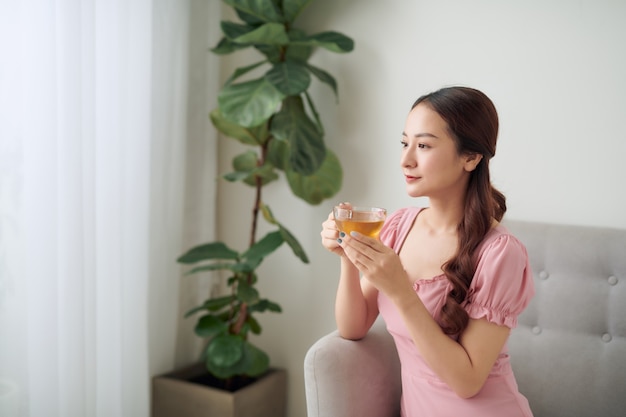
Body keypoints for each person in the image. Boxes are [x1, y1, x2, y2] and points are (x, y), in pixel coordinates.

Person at [320, 86, 535, 417]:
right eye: (405, 143)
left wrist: (401, 291)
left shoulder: (500, 253)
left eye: (423, 145)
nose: (406, 160)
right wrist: (349, 256)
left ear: (471, 157)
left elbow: (467, 382)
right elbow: (353, 327)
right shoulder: (398, 226)